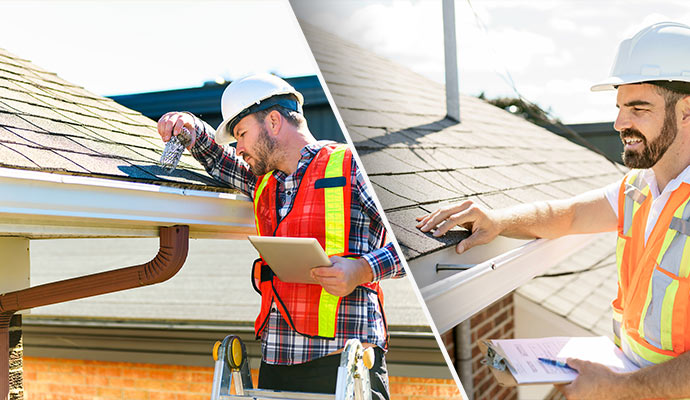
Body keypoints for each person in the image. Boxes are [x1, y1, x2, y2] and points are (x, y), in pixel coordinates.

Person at [416, 22, 690, 400]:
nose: (619, 124)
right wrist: (497, 221)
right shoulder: (640, 188)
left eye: (638, 108)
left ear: (687, 111)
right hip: (630, 371)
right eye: (620, 108)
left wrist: (618, 388)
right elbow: (571, 215)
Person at [157, 73, 403, 399]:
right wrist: (188, 127)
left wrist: (361, 270)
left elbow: (409, 242)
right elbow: (218, 157)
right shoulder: (264, 182)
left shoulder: (351, 165)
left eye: (242, 134)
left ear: (273, 121)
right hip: (278, 358)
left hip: (344, 359)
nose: (239, 146)